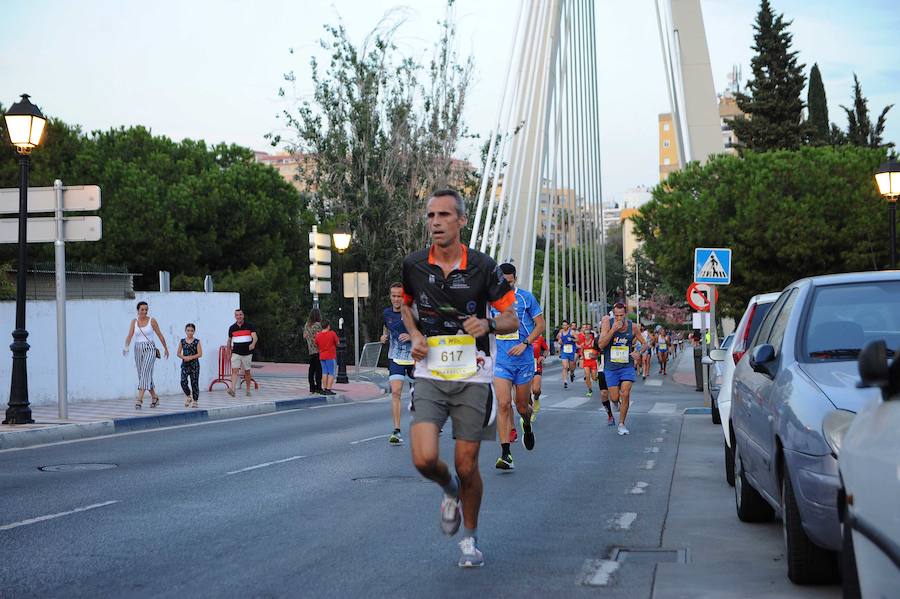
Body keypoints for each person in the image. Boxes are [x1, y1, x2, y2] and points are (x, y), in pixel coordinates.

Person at [401, 188, 518, 568]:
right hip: (430, 370)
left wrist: (487, 322)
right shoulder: (414, 265)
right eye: (431, 216)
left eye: (444, 215)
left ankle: (469, 540)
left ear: (461, 221)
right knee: (423, 459)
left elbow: (512, 319)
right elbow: (405, 306)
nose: (435, 222)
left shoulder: (484, 267)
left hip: (473, 374)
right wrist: (416, 335)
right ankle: (448, 489)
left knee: (467, 464)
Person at [491, 262, 543, 472]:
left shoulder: (526, 298)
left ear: (515, 279)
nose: (507, 286)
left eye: (510, 282)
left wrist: (525, 343)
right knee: (503, 404)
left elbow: (541, 325)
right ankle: (506, 454)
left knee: (521, 406)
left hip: (523, 361)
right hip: (501, 361)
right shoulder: (491, 300)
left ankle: (527, 425)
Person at [599, 302, 647, 436]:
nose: (619, 318)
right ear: (613, 314)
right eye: (616, 315)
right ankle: (615, 403)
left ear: (625, 313)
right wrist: (613, 330)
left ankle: (621, 424)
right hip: (611, 367)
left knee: (625, 394)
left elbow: (644, 344)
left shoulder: (633, 327)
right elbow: (601, 345)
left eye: (621, 315)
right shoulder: (608, 324)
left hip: (627, 366)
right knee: (614, 397)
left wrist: (639, 352)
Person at [381, 282, 415, 445]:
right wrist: (383, 337)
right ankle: (396, 430)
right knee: (396, 392)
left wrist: (411, 336)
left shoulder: (413, 313)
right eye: (393, 296)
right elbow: (386, 329)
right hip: (395, 357)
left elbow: (426, 332)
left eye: (399, 296)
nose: (396, 299)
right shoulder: (386, 313)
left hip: (415, 357)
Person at [123, 301, 169, 410]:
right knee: (143, 375)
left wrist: (165, 348)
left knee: (144, 373)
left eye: (146, 309)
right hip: (138, 349)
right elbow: (129, 335)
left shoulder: (152, 321)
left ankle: (139, 400)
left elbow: (159, 334)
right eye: (142, 309)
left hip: (150, 348)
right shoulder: (134, 321)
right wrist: (126, 347)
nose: (144, 311)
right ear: (138, 310)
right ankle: (154, 397)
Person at [227, 309, 257, 397]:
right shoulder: (232, 328)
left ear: (243, 316)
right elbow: (229, 340)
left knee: (247, 371)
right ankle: (232, 389)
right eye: (237, 315)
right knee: (234, 370)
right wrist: (228, 351)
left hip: (247, 353)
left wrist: (253, 343)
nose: (239, 316)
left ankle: (248, 390)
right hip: (236, 352)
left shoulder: (249, 326)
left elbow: (255, 337)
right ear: (235, 316)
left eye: (240, 315)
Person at [177, 323, 203, 408]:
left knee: (194, 382)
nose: (190, 332)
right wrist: (183, 357)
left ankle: (195, 400)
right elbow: (178, 353)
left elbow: (200, 354)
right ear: (185, 331)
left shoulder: (197, 341)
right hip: (185, 364)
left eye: (192, 331)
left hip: (194, 365)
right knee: (183, 381)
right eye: (188, 330)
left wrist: (191, 357)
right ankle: (189, 396)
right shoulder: (182, 341)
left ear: (194, 331)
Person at [315, 320, 339, 396]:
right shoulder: (332, 333)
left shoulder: (318, 335)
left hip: (322, 356)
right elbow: (337, 343)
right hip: (330, 356)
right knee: (331, 373)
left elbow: (316, 344)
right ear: (328, 326)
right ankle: (329, 389)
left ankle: (325, 388)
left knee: (324, 372)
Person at [303, 309, 324, 394]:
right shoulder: (318, 325)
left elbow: (304, 336)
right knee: (319, 369)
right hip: (318, 349)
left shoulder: (307, 325)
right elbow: (322, 336)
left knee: (311, 369)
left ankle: (312, 387)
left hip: (311, 349)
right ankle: (318, 387)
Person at [577, 323, 599, 397]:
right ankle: (590, 389)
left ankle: (598, 378)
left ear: (590, 335)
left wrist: (594, 355)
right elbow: (582, 352)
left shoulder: (593, 342)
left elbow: (598, 351)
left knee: (594, 378)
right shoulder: (583, 343)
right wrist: (581, 358)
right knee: (587, 376)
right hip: (586, 362)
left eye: (588, 334)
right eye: (585, 334)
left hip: (592, 362)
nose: (586, 336)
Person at [531, 334, 549, 421]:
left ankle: (536, 399)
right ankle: (531, 413)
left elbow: (546, 349)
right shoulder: (520, 336)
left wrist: (543, 356)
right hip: (523, 366)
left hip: (536, 365)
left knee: (536, 390)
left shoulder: (539, 337)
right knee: (526, 394)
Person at [557, 321, 577, 388]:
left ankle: (571, 373)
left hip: (571, 351)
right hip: (564, 351)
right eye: (563, 325)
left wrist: (571, 339)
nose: (564, 326)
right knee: (565, 367)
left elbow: (577, 339)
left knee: (571, 367)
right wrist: (560, 342)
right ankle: (565, 381)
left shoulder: (572, 332)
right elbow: (559, 341)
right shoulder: (561, 333)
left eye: (565, 325)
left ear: (568, 326)